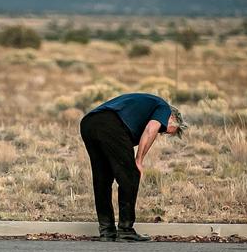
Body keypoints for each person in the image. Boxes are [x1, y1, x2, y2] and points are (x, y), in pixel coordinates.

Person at [80, 93, 187, 242]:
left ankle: (107, 231)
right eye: (165, 130)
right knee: (131, 176)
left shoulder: (145, 109)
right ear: (173, 118)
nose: (162, 132)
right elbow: (151, 130)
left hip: (89, 123)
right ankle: (125, 231)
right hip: (110, 124)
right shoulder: (164, 108)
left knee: (102, 179)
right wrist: (139, 160)